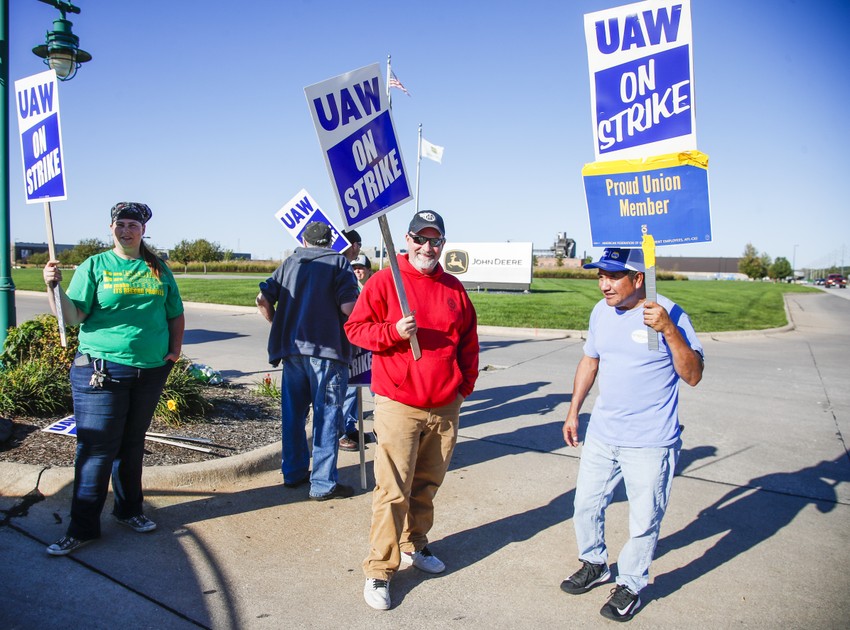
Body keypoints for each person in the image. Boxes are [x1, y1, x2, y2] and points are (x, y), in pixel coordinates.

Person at [559, 248, 704, 621]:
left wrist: (669, 330)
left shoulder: (668, 313)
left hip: (651, 441)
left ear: (639, 279)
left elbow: (693, 375)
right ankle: (594, 563)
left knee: (644, 520)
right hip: (604, 434)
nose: (604, 284)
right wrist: (574, 410)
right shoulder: (600, 312)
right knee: (585, 505)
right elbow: (590, 360)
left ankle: (631, 584)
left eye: (613, 276)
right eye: (600, 276)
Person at [345, 210, 479, 610]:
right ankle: (379, 570)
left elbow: (469, 342)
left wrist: (462, 387)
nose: (427, 247)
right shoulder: (387, 282)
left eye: (435, 240)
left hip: (445, 405)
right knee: (392, 490)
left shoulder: (454, 288)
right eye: (420, 239)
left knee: (426, 485)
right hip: (399, 404)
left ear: (443, 244)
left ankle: (414, 544)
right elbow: (355, 329)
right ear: (406, 240)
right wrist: (392, 333)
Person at [42, 202, 185, 556]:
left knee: (132, 444)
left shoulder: (157, 268)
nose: (126, 230)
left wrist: (174, 351)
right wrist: (53, 288)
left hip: (150, 369)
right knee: (96, 448)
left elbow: (175, 313)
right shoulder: (96, 265)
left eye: (133, 225)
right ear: (111, 229)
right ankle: (82, 527)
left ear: (143, 231)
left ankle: (128, 511)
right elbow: (73, 315)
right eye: (120, 224)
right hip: (101, 369)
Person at [256, 221, 359, 500]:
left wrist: (278, 322)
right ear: (330, 241)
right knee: (326, 417)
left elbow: (262, 299)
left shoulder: (290, 262)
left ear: (304, 240)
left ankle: (293, 472)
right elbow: (348, 307)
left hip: (292, 351)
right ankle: (323, 484)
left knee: (294, 414)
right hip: (327, 352)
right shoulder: (338, 263)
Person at [339, 254, 374, 452]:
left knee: (377, 389)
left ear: (369, 270)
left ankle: (382, 428)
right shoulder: (349, 289)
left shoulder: (374, 288)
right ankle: (345, 430)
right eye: (354, 268)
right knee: (351, 390)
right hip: (353, 347)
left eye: (361, 267)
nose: (357, 271)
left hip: (372, 346)